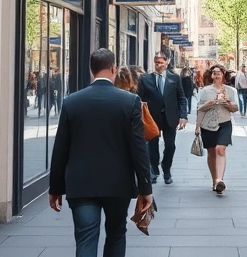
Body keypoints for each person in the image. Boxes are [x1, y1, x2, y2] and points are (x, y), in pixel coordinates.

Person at [49, 49, 153, 257]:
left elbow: (61, 148)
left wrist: (55, 188)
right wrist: (145, 187)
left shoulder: (72, 102)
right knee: (116, 234)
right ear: (114, 68)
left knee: (86, 237)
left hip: (81, 184)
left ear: (91, 70)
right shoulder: (130, 102)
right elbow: (138, 148)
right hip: (118, 183)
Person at [137, 53, 187, 185]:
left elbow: (181, 98)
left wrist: (183, 116)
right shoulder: (145, 79)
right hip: (152, 119)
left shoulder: (174, 78)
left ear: (166, 62)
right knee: (152, 146)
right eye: (156, 62)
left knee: (170, 145)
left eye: (160, 62)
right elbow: (139, 100)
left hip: (170, 117)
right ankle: (154, 170)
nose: (157, 65)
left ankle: (166, 169)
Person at [196, 64, 238, 193]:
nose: (217, 74)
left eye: (219, 72)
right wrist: (197, 126)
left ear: (223, 75)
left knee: (221, 149)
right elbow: (199, 109)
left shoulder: (230, 91)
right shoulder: (205, 91)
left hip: (225, 123)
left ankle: (220, 179)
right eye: (214, 72)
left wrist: (229, 104)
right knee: (212, 152)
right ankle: (215, 180)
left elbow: (235, 108)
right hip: (208, 125)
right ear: (212, 75)